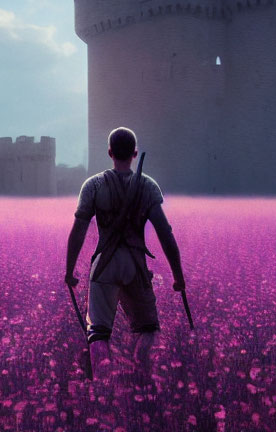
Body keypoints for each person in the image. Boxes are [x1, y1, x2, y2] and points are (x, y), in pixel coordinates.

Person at [64, 127, 186, 384]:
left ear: (110, 153)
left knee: (98, 333)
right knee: (148, 329)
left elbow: (78, 231)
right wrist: (178, 276)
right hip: (135, 266)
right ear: (134, 153)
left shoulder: (93, 185)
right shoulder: (148, 186)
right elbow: (166, 233)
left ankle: (103, 386)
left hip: (104, 266)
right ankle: (141, 376)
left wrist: (69, 271)